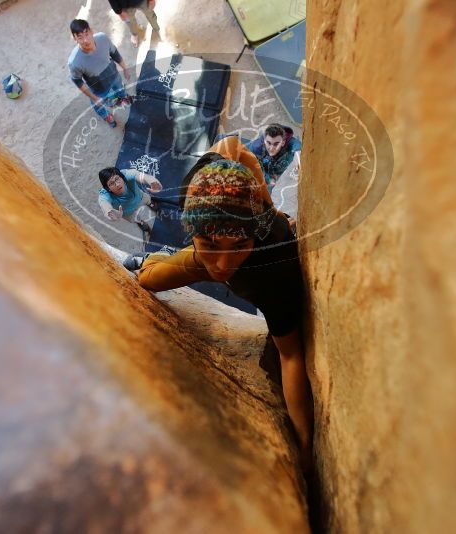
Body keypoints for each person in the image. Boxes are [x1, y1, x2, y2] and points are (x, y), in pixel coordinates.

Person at [123, 137, 314, 474]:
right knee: (146, 280)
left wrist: (304, 442)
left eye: (238, 244)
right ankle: (153, 259)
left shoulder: (273, 272)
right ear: (190, 225)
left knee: (150, 277)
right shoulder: (201, 182)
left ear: (254, 233)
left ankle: (179, 252)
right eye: (212, 243)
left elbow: (291, 355)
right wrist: (262, 198)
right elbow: (232, 145)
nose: (224, 264)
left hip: (243, 264)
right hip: (206, 251)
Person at [68, 19, 133, 128]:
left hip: (113, 75)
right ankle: (106, 116)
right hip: (98, 88)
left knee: (120, 88)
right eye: (80, 37)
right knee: (98, 105)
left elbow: (114, 53)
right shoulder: (74, 62)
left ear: (91, 31)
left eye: (86, 34)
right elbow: (77, 81)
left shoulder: (103, 38)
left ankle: (123, 98)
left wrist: (125, 68)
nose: (85, 40)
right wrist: (94, 97)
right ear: (75, 38)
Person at [98, 167, 162, 234]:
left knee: (148, 199)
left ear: (122, 177)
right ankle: (141, 222)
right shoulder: (104, 194)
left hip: (140, 197)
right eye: (111, 183)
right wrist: (110, 213)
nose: (117, 184)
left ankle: (150, 204)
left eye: (117, 179)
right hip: (128, 212)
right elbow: (104, 204)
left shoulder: (126, 174)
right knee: (136, 219)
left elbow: (139, 175)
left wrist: (152, 181)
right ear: (108, 189)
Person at [244, 124, 302, 193]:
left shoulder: (292, 144)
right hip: (264, 168)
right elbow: (253, 166)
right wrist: (268, 178)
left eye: (276, 144)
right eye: (268, 143)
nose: (271, 148)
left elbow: (298, 147)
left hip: (279, 167)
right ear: (265, 140)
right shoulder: (256, 148)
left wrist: (297, 160)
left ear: (283, 142)